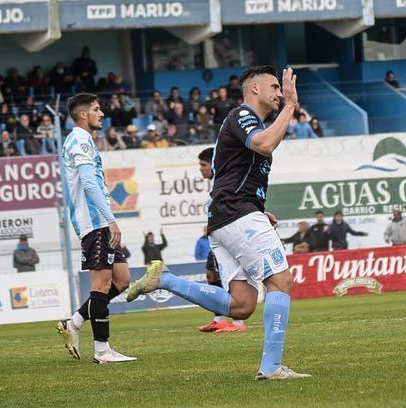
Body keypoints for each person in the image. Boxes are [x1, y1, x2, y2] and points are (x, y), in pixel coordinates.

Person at [127, 66, 310, 380]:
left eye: (282, 90)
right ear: (254, 89)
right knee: (281, 282)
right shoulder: (243, 116)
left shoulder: (244, 121)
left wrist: (256, 208)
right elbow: (264, 144)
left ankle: (166, 280)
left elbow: (229, 175)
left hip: (229, 217)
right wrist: (291, 107)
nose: (280, 94)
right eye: (274, 87)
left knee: (242, 305)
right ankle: (271, 368)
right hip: (237, 215)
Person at [56, 93, 136, 364]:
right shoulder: (79, 139)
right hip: (94, 222)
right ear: (83, 115)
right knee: (101, 286)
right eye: (96, 109)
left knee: (122, 279)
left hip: (99, 221)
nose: (102, 113)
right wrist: (110, 219)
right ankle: (102, 351)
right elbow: (89, 184)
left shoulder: (84, 139)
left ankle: (75, 321)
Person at [195, 148, 246, 333]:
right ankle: (219, 318)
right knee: (211, 274)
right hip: (217, 236)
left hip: (229, 235)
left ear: (214, 164)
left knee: (230, 276)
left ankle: (238, 322)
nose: (201, 169)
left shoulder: (225, 182)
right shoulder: (215, 184)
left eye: (203, 165)